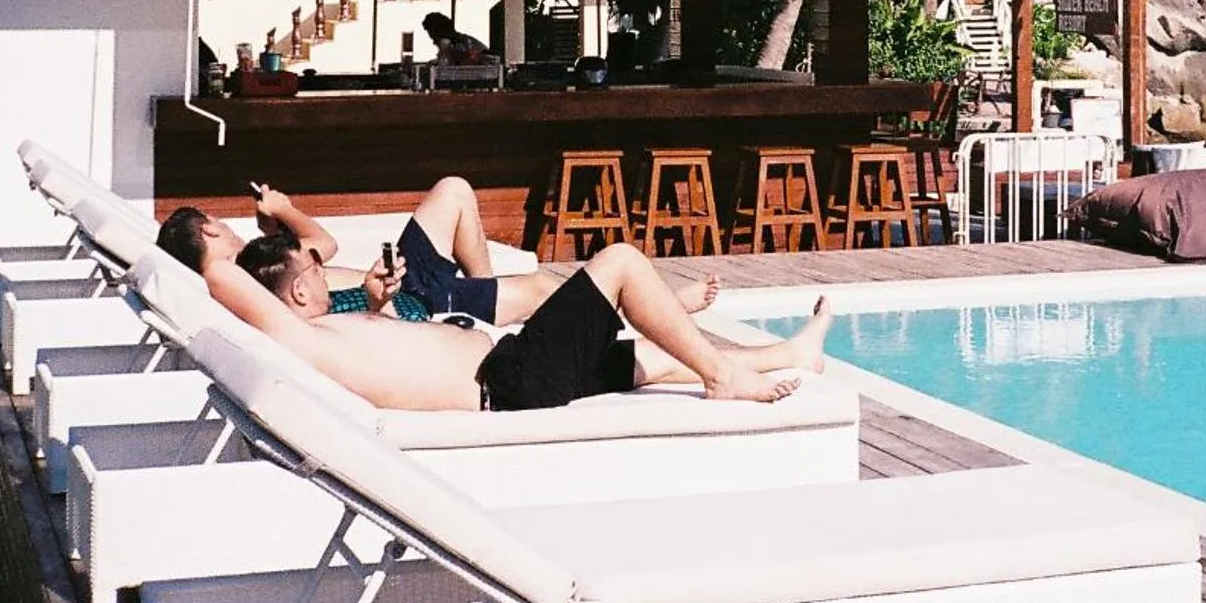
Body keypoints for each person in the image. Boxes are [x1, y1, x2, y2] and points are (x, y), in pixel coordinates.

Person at [218, 234, 828, 412]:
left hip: (512, 372)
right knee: (618, 262)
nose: (328, 273)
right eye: (316, 271)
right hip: (508, 382)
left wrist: (376, 303)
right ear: (296, 289)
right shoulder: (303, 338)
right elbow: (221, 276)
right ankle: (724, 377)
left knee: (652, 359)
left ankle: (791, 355)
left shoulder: (328, 330)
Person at [158, 176, 636, 328]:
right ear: (208, 230)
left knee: (453, 190)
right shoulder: (243, 276)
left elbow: (317, 256)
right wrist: (285, 209)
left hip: (397, 283)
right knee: (542, 289)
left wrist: (274, 224)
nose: (226, 226)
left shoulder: (245, 275)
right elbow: (324, 246)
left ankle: (481, 292)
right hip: (411, 304)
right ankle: (638, 308)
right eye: (218, 223)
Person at [422, 10, 488, 65]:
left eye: (430, 32)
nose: (431, 37)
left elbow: (444, 65)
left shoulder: (451, 43)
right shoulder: (460, 39)